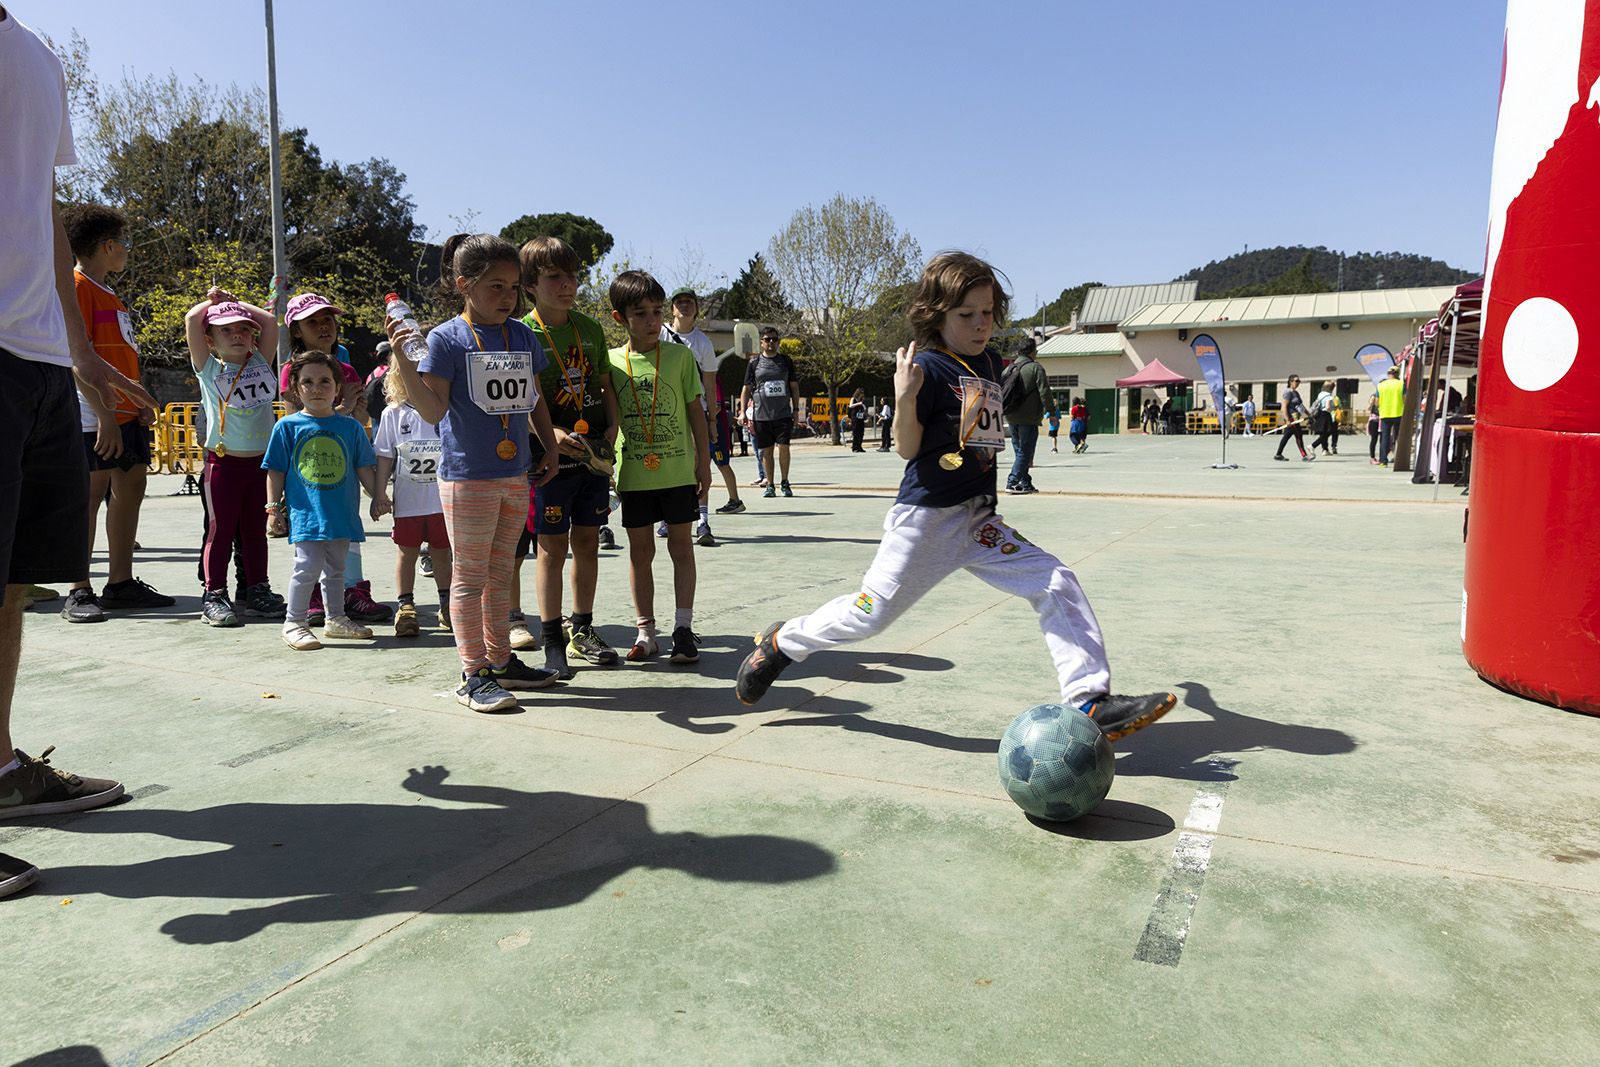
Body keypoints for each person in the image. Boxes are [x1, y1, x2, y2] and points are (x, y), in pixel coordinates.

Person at [733, 252, 1175, 742]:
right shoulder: (927, 367)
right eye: (967, 315)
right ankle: (780, 643)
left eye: (988, 312)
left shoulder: (988, 360)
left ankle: (1090, 700)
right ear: (936, 315)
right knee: (870, 616)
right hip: (926, 519)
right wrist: (903, 396)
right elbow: (906, 447)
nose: (981, 323)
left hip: (979, 521)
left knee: (1054, 581)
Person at [1, 4, 159, 900]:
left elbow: (41, 208)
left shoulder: (32, 56)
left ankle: (1, 772)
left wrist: (80, 350)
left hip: (33, 357)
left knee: (13, 577)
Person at [384, 233, 562, 712]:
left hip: (515, 472)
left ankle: (501, 661)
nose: (507, 297)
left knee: (502, 572)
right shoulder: (446, 338)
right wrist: (402, 358)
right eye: (495, 286)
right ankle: (473, 671)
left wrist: (548, 444)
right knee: (470, 576)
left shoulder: (523, 334)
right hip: (468, 478)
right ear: (464, 284)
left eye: (514, 287)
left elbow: (534, 395)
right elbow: (434, 409)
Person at [58, 203, 173, 622]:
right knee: (89, 496)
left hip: (124, 414)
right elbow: (78, 357)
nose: (127, 249)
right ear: (107, 246)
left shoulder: (110, 293)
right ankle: (79, 588)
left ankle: (120, 583)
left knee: (131, 489)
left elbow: (116, 356)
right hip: (93, 415)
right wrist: (105, 415)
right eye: (122, 243)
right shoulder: (76, 286)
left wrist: (136, 404)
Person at [519, 236, 622, 677]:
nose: (567, 285)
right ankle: (552, 640)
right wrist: (550, 434)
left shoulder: (590, 328)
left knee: (587, 543)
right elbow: (518, 400)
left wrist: (613, 427)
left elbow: (603, 384)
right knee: (550, 549)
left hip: (592, 454)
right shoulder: (521, 331)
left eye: (573, 276)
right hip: (548, 459)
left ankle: (583, 629)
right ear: (530, 283)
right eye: (554, 277)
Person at [607, 270, 710, 663]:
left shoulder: (681, 357)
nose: (651, 322)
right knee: (639, 552)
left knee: (682, 547)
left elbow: (695, 414)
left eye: (656, 312)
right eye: (640, 314)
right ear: (620, 318)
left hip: (678, 473)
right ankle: (645, 632)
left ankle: (683, 628)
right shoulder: (612, 362)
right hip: (633, 475)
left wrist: (704, 463)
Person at [279, 292, 390, 626]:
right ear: (296, 330)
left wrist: (355, 415)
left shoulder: (347, 370)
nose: (323, 326)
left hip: (341, 468)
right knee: (311, 539)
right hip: (309, 471)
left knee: (345, 530)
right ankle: (311, 598)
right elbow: (297, 423)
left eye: (327, 319)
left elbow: (356, 426)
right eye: (312, 321)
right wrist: (341, 411)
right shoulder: (291, 372)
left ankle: (352, 592)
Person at [263, 351, 379, 650]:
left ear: (337, 387)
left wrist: (379, 496)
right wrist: (273, 509)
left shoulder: (351, 427)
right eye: (308, 382)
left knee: (337, 569)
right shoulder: (287, 427)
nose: (316, 389)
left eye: (325, 381)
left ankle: (336, 618)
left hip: (341, 514)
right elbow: (275, 471)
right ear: (295, 389)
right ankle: (294, 622)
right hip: (307, 514)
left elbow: (363, 467)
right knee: (307, 566)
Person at [184, 290, 283, 625]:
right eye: (226, 330)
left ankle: (257, 590)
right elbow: (191, 320)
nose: (237, 334)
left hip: (260, 466)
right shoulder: (208, 367)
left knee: (255, 531)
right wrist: (214, 303)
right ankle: (214, 594)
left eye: (243, 328)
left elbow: (269, 321)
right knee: (220, 529)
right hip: (223, 466)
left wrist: (236, 302)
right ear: (209, 340)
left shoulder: (259, 362)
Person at [370, 352, 453, 638]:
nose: (419, 380)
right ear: (398, 375)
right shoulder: (393, 413)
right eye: (411, 373)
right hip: (408, 502)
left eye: (425, 373)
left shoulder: (446, 409)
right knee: (407, 553)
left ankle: (447, 605)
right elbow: (384, 456)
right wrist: (379, 493)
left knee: (443, 554)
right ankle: (405, 607)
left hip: (442, 500)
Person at [663, 286, 742, 545]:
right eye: (679, 302)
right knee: (668, 465)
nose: (684, 306)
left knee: (700, 466)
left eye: (689, 302)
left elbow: (709, 385)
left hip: (696, 411)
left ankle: (703, 522)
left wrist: (711, 422)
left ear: (697, 309)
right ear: (672, 308)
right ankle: (666, 517)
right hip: (664, 412)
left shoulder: (704, 343)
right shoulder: (660, 335)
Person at [739, 327, 799, 497]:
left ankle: (785, 482)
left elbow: (794, 388)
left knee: (784, 447)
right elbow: (746, 389)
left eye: (774, 339)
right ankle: (770, 485)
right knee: (767, 450)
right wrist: (743, 412)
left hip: (783, 414)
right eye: (767, 339)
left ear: (778, 341)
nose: (771, 342)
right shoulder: (754, 363)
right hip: (761, 415)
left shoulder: (786, 361)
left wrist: (795, 410)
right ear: (762, 342)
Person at [1001, 335, 1053, 493]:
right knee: (1026, 451)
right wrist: (1051, 411)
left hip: (1010, 415)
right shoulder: (1035, 368)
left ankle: (1025, 484)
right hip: (1028, 417)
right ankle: (1012, 481)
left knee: (1019, 451)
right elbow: (1044, 392)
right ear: (1032, 351)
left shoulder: (1008, 369)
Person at [1273, 374, 1315, 462]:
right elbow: (1284, 406)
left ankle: (1278, 454)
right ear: (1290, 381)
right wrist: (1287, 420)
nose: (1298, 383)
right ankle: (1304, 455)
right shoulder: (1287, 392)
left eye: (1299, 381)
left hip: (1296, 418)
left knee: (1287, 436)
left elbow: (1301, 406)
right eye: (1296, 381)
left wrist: (1308, 414)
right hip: (1291, 418)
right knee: (1299, 435)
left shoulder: (1295, 393)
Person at [1376, 366, 1405, 466]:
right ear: (1397, 374)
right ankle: (1398, 459)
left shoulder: (1380, 385)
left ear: (1388, 374)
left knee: (1385, 437)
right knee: (1398, 437)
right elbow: (1405, 398)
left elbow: (1376, 401)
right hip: (1399, 413)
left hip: (1385, 414)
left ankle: (1383, 461)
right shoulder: (1401, 384)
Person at [1309, 379, 1337, 455]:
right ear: (1331, 388)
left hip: (1319, 414)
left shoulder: (1320, 394)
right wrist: (1333, 408)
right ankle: (1313, 445)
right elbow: (1328, 407)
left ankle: (1325, 449)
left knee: (1323, 432)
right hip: (1326, 415)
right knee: (1329, 431)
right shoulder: (1329, 396)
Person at [1366, 391, 1381, 464]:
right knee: (1374, 439)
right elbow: (1368, 408)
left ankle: (1383, 456)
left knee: (1384, 439)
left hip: (1382, 420)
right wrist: (1372, 402)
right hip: (1374, 420)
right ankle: (1372, 458)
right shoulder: (1374, 396)